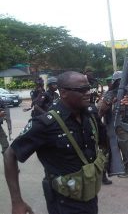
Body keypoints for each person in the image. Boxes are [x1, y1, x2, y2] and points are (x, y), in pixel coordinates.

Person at [4, 71, 108, 214]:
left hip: (89, 195)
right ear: (64, 93)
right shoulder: (45, 124)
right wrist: (17, 202)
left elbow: (104, 142)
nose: (88, 92)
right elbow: (10, 154)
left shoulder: (90, 115)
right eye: (81, 90)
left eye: (89, 88)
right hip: (63, 202)